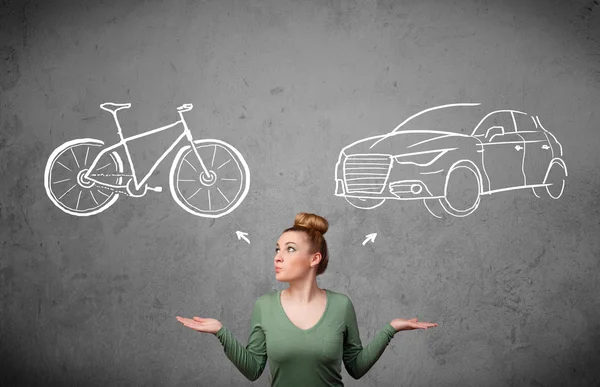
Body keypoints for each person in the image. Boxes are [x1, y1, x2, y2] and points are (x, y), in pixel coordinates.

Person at [176, 212, 437, 386]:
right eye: (277, 249)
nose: (278, 257)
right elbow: (254, 369)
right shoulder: (264, 306)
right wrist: (221, 332)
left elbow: (356, 368)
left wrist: (390, 329)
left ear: (314, 259)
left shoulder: (341, 305)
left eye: (290, 249)